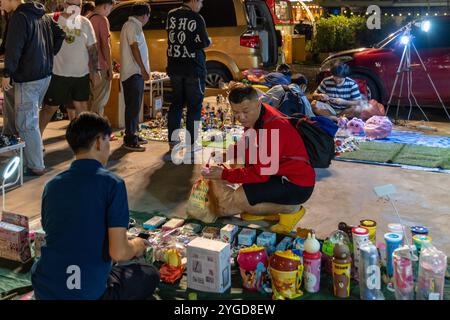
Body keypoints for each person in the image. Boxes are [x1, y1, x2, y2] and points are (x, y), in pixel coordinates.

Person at [31, 112, 160, 300]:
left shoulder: (52, 185)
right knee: (149, 274)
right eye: (108, 141)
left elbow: (55, 230)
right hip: (89, 292)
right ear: (99, 142)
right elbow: (119, 252)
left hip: (46, 287)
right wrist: (136, 245)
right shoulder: (112, 184)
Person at [202, 84, 315, 234]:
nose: (241, 117)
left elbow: (260, 174)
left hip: (296, 184)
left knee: (240, 199)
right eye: (236, 112)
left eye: (245, 111)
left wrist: (223, 174)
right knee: (238, 163)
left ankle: (292, 210)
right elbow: (247, 141)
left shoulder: (273, 127)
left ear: (258, 103)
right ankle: (266, 209)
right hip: (278, 173)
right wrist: (227, 154)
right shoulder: (259, 115)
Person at [1, 0, 65, 175]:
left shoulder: (20, 16)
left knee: (27, 123)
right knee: (30, 119)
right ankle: (29, 156)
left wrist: (7, 73)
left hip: (28, 78)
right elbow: (60, 34)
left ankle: (36, 165)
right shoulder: (41, 14)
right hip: (43, 75)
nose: (0, 4)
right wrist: (46, 54)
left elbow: (14, 48)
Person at [39, 0, 101, 137]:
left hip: (81, 74)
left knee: (82, 109)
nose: (75, 8)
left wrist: (95, 71)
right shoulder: (50, 19)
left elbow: (92, 48)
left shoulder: (85, 22)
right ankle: (35, 139)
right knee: (49, 108)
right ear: (63, 3)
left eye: (79, 5)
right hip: (58, 74)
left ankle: (83, 141)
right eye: (72, 4)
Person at [166, 0, 211, 153]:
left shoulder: (171, 15)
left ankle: (173, 140)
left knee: (176, 104)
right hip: (193, 68)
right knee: (194, 106)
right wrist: (208, 41)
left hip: (174, 67)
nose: (201, 5)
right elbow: (203, 42)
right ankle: (192, 143)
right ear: (193, 1)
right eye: (200, 2)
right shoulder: (196, 18)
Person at [119, 1, 151, 152]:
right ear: (145, 15)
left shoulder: (132, 25)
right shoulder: (132, 26)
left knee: (135, 106)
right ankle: (130, 138)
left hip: (134, 73)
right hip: (133, 73)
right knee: (132, 106)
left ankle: (134, 134)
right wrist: (143, 70)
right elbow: (134, 47)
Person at [88, 0, 113, 116]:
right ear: (105, 6)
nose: (109, 11)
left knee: (90, 101)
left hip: (86, 67)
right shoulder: (102, 20)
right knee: (99, 101)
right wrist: (110, 67)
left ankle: (87, 130)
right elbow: (105, 44)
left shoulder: (87, 18)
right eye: (110, 8)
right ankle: (96, 131)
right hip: (100, 66)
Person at [0, 10, 17, 137]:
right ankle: (10, 133)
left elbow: (13, 47)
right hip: (15, 67)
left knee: (11, 100)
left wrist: (7, 74)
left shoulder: (16, 17)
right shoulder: (11, 16)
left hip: (14, 69)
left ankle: (10, 135)